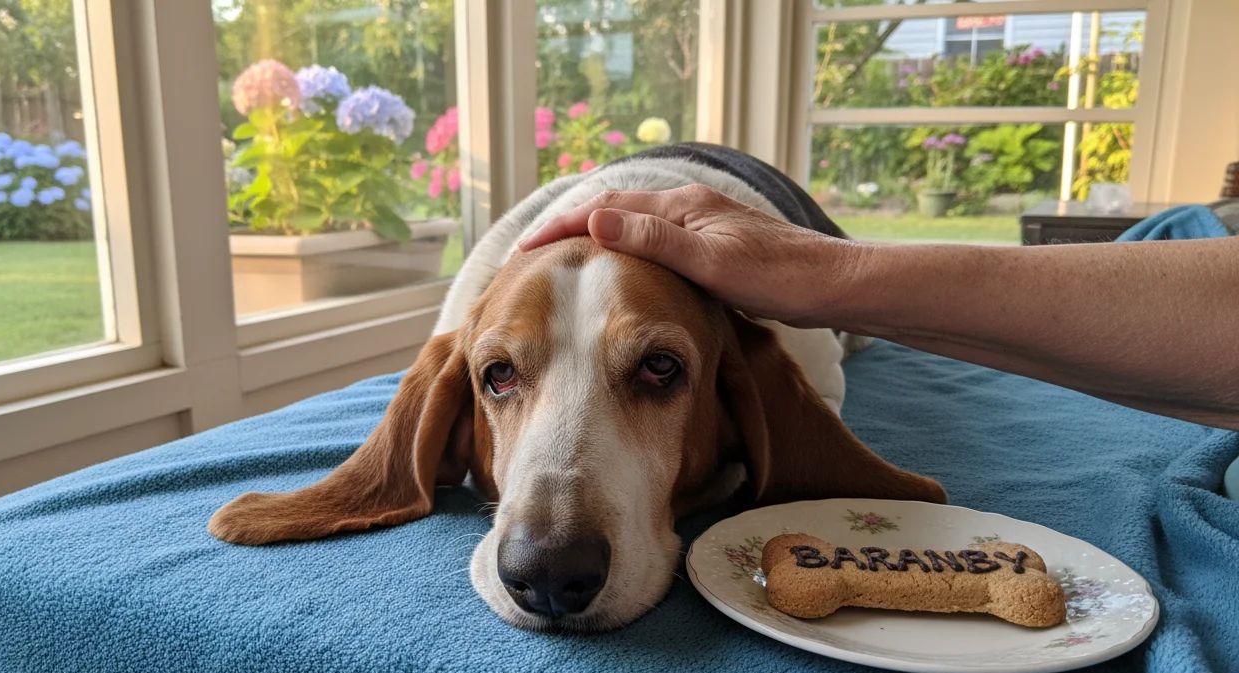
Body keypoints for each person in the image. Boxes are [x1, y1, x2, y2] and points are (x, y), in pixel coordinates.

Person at [518, 184, 1239, 433]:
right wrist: (829, 271)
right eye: (501, 377)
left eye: (657, 368)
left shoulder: (778, 356)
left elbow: (817, 382)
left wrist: (827, 270)